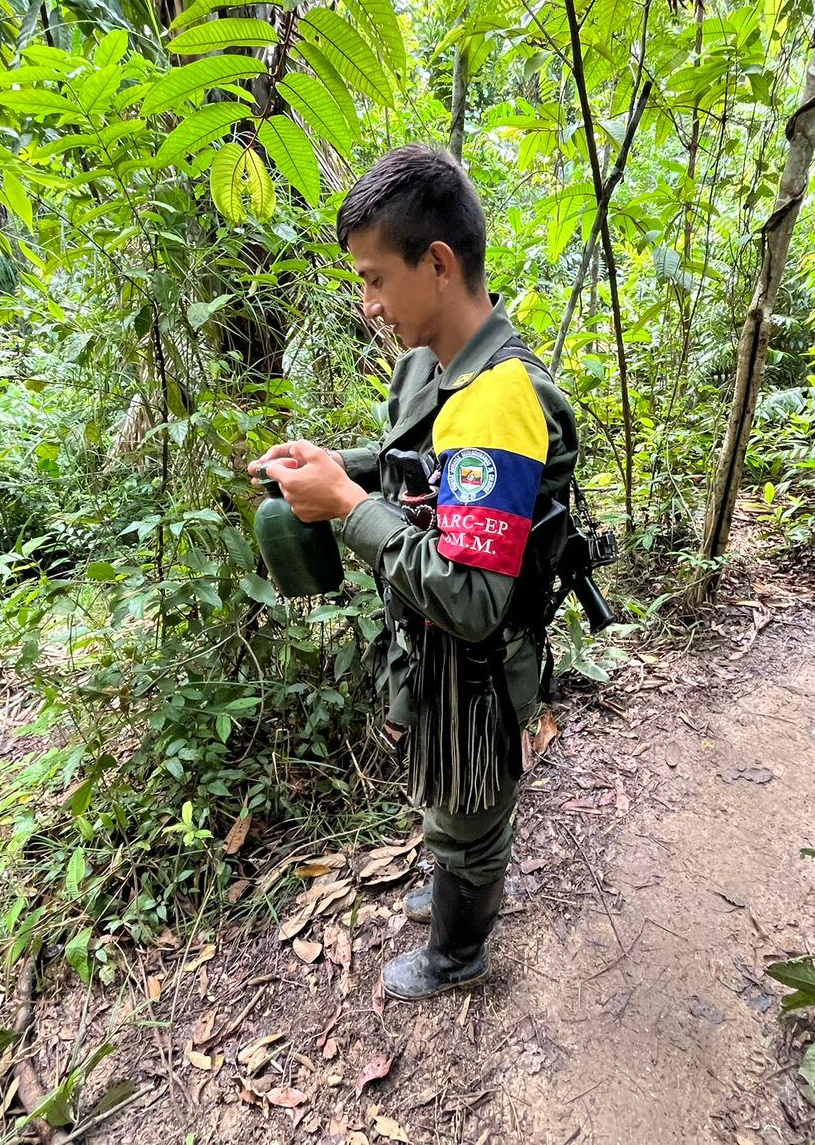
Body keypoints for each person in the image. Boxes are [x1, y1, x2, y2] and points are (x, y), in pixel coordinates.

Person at [249, 145, 579, 1001]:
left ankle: (459, 955)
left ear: (436, 264)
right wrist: (337, 467)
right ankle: (450, 895)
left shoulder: (500, 401)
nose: (367, 304)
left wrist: (347, 508)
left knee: (468, 821)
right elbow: (420, 465)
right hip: (421, 646)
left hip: (471, 663)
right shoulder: (426, 367)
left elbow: (472, 598)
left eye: (373, 279)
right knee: (442, 807)